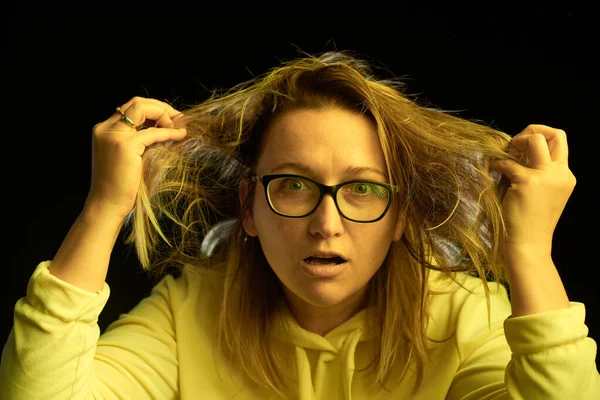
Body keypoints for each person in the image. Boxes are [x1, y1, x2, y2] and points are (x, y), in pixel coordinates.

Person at [0, 50, 597, 399]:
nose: (326, 223)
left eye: (364, 189)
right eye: (293, 184)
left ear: (401, 216)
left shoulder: (466, 317)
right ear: (251, 208)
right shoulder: (191, 314)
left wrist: (531, 255)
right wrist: (105, 208)